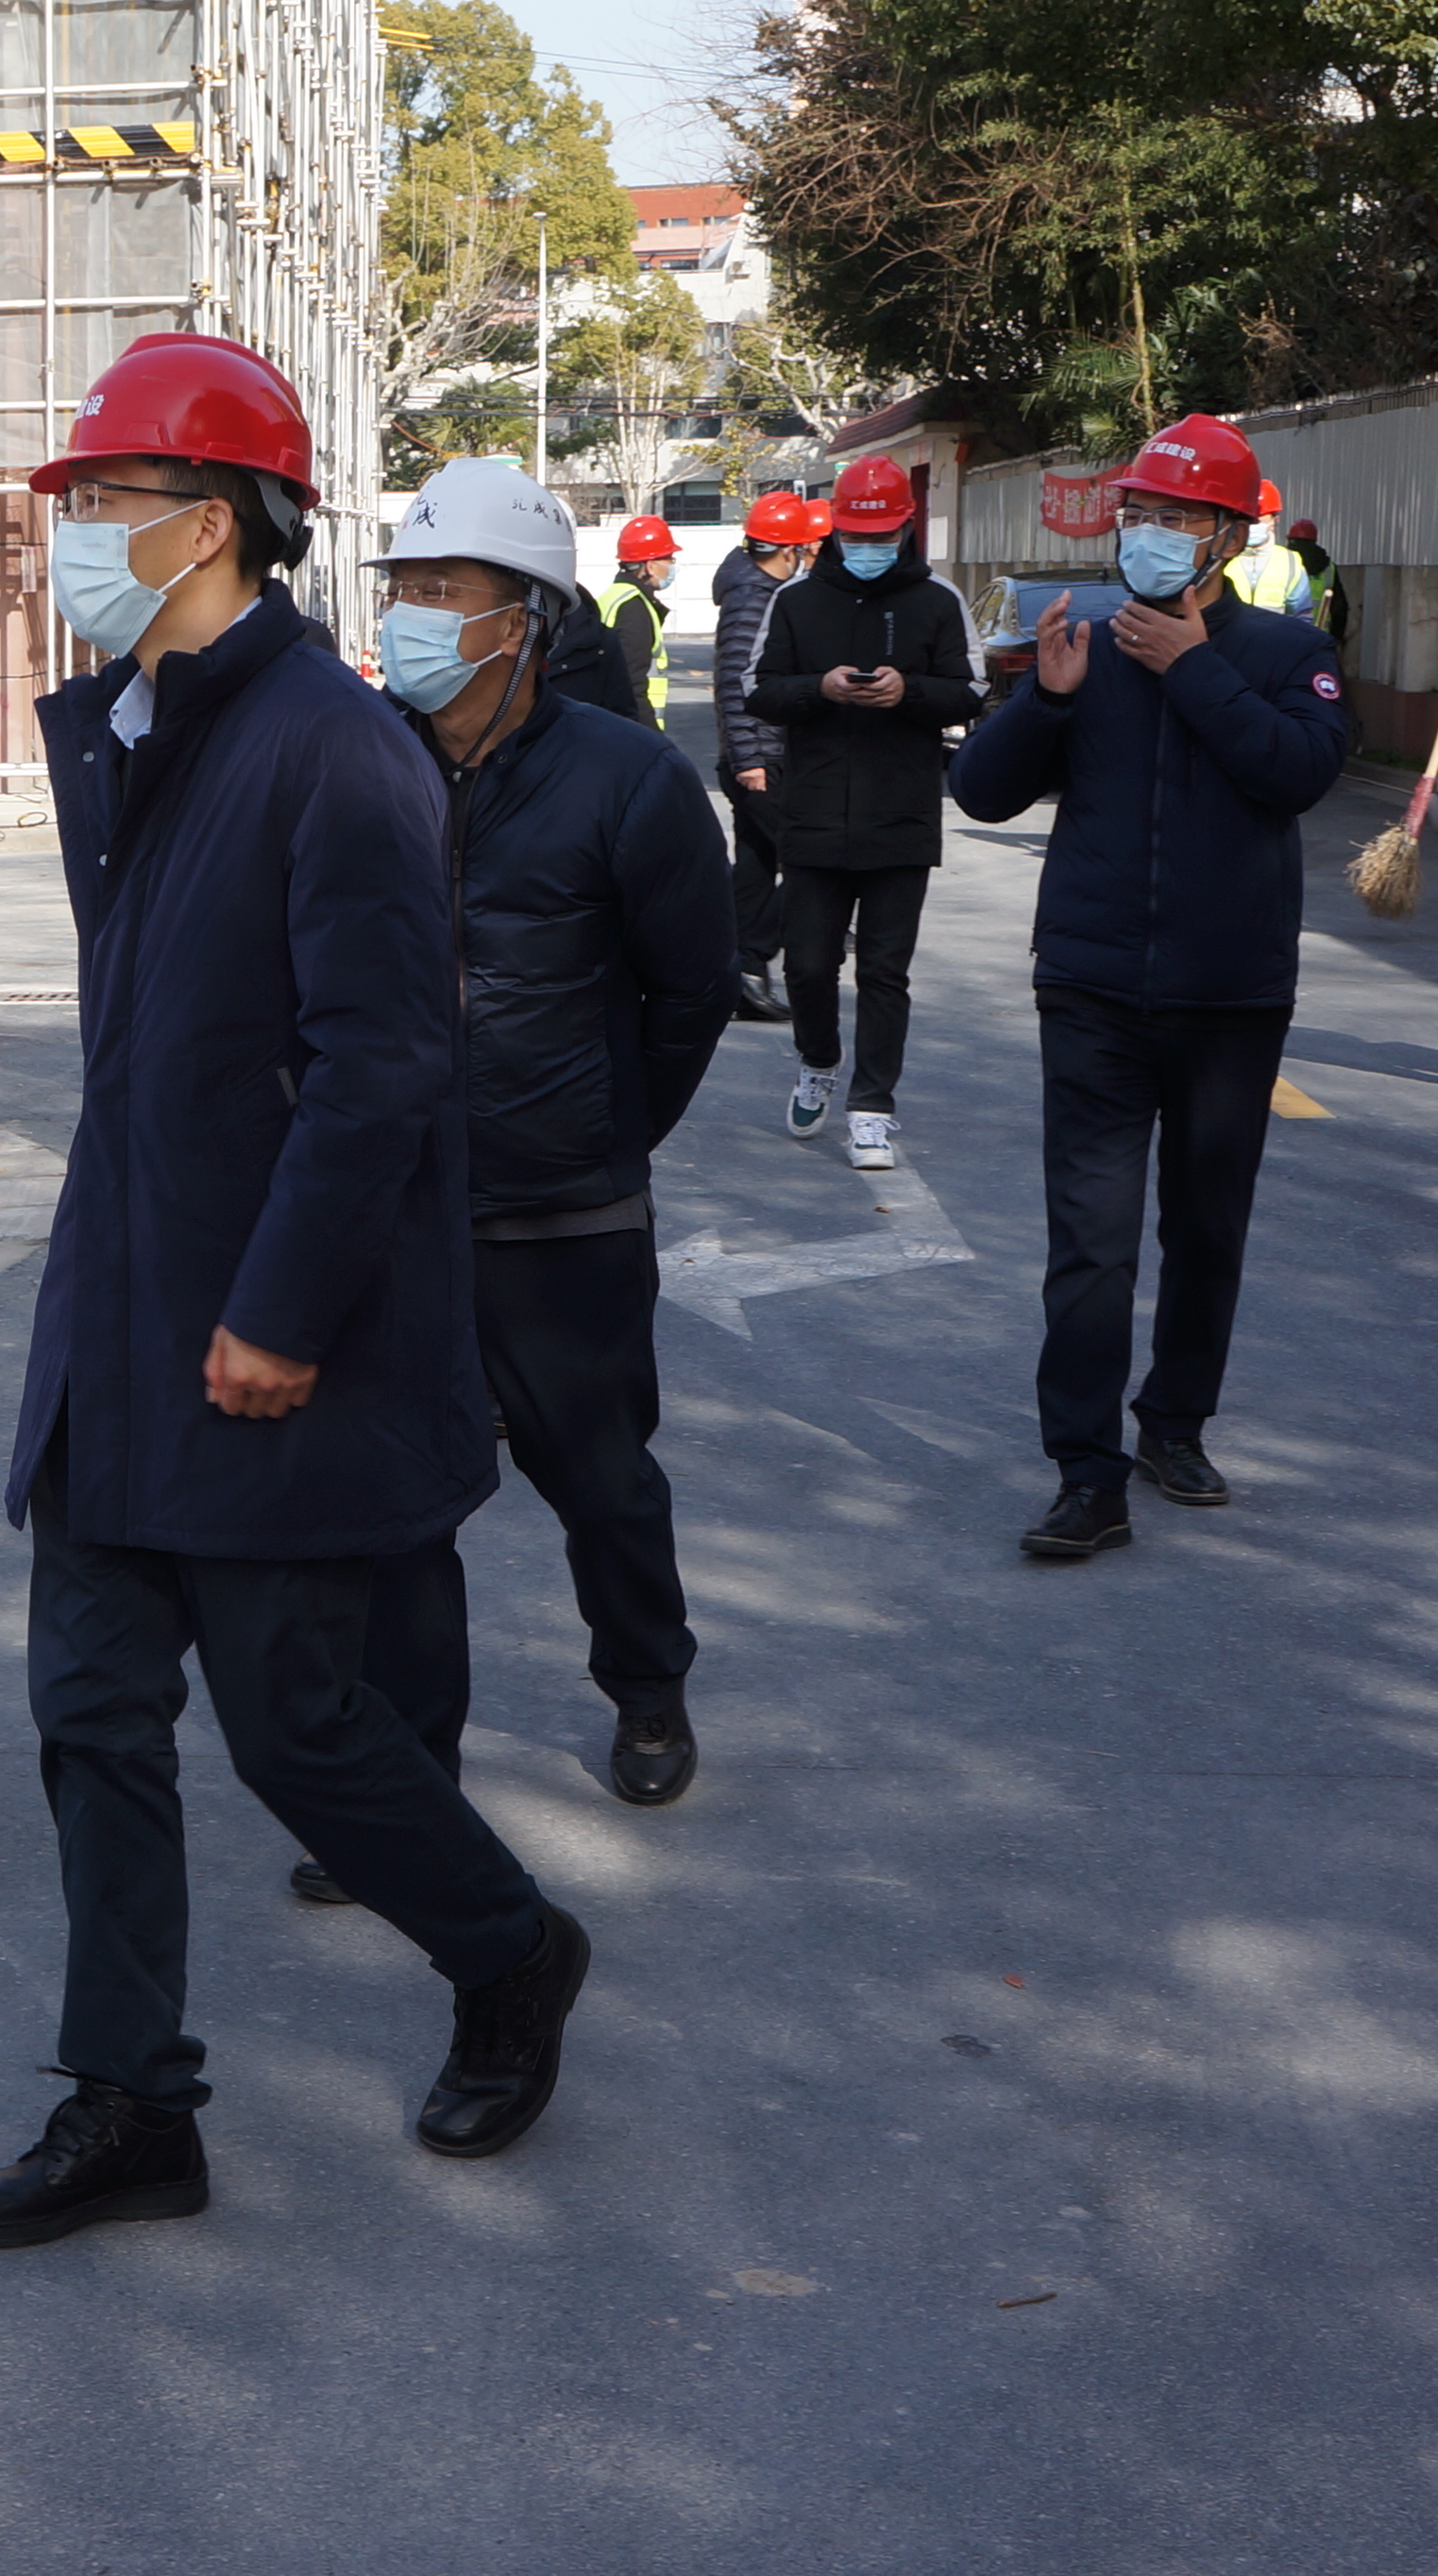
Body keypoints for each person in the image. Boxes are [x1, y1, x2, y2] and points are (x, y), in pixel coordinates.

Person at [0, 333, 589, 2251]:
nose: (71, 532)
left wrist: (284, 1312)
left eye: (103, 501)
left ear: (207, 522)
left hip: (257, 1338)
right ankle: (129, 2102)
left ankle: (508, 1949)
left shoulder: (329, 747)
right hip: (118, 1317)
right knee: (90, 1714)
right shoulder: (134, 727)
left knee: (295, 1729)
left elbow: (380, 1067)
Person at [343, 457, 736, 1869]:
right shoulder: (357, 760)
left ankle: (647, 1689)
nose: (412, 615)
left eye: (442, 590)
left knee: (602, 1480)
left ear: (525, 617)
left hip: (565, 1216)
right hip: (391, 1212)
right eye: (402, 588)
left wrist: (605, 1129)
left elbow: (693, 991)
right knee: (394, 1517)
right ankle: (404, 1782)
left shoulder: (628, 780)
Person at [950, 414, 1355, 1563]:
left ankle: (1174, 1425)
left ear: (1225, 536)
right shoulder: (1079, 639)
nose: (1149, 535)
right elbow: (978, 791)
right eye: (1137, 514)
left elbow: (1297, 772)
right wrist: (1046, 699)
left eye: (1175, 518)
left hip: (1230, 998)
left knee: (1205, 1229)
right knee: (1090, 1243)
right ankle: (1086, 1474)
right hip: (1090, 988)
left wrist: (1193, 668)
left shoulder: (1286, 651)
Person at [742, 453, 978, 1173]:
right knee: (809, 965)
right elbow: (759, 688)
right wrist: (821, 688)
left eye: (880, 536)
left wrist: (910, 692)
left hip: (902, 815)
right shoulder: (797, 600)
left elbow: (969, 690)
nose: (867, 547)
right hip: (814, 812)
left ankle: (872, 1108)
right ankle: (818, 1059)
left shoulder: (938, 599)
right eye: (854, 536)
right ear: (834, 532)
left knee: (884, 971)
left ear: (905, 529)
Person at [707, 490, 811, 1021]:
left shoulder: (758, 588)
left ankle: (736, 975)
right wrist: (748, 759)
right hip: (760, 758)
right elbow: (735, 683)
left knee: (755, 865)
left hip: (758, 755)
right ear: (788, 550)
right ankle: (745, 960)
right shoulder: (754, 597)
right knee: (811, 861)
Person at [552, 513, 675, 733]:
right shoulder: (634, 608)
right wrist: (652, 738)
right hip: (630, 727)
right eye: (668, 559)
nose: (672, 566)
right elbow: (633, 684)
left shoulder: (614, 595)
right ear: (650, 565)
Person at [1219, 483, 1319, 622]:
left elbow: (1301, 616)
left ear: (1275, 521)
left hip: (1275, 636)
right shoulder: (1221, 557)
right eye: (1248, 520)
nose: (1252, 526)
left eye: (1258, 520)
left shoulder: (1290, 562)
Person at [1282, 515, 1348, 644]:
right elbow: (1339, 608)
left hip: (1289, 637)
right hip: (1320, 638)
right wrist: (1337, 638)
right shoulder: (1328, 568)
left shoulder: (1286, 564)